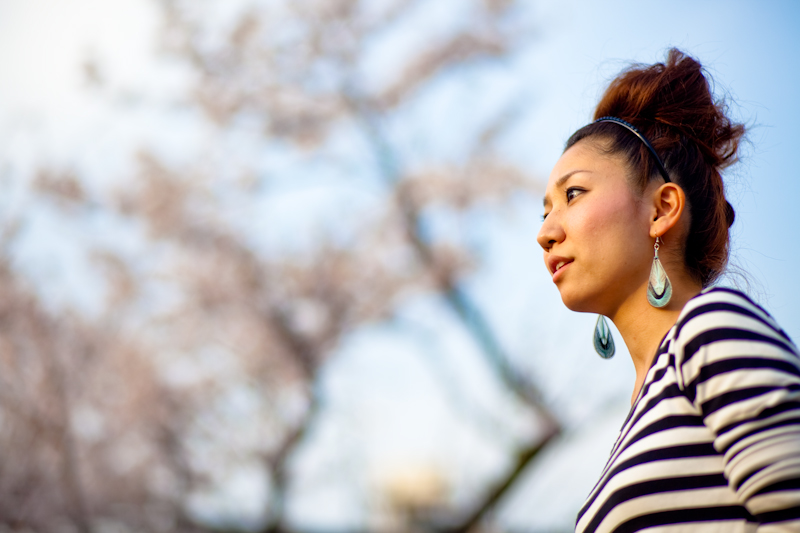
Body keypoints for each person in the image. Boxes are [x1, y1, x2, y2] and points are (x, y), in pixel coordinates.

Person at [537, 48, 800, 532]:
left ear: (661, 209)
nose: (545, 232)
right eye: (544, 210)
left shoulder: (711, 330)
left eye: (573, 194)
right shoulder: (640, 412)